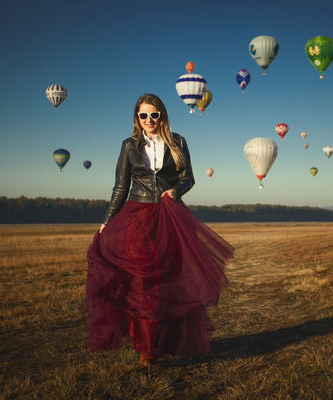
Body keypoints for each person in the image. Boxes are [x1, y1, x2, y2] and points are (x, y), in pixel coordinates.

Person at [80, 93, 233, 366]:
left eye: (154, 115)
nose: (149, 120)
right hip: (136, 216)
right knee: (141, 284)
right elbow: (120, 187)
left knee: (171, 281)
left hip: (169, 216)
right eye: (143, 115)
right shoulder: (129, 146)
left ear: (162, 115)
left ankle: (171, 342)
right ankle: (146, 348)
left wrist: (176, 189)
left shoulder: (178, 141)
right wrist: (106, 221)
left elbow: (189, 178)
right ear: (136, 118)